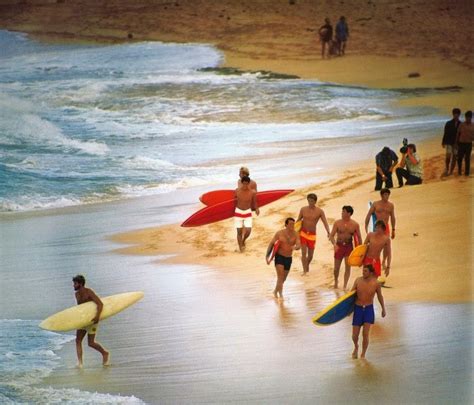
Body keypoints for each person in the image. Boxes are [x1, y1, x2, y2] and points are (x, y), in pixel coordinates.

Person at [73, 275, 110, 368]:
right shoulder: (76, 294)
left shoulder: (89, 292)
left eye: (75, 283)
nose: (73, 285)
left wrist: (97, 317)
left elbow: (100, 304)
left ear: (80, 284)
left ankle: (105, 353)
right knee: (78, 340)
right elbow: (81, 308)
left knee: (91, 343)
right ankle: (80, 363)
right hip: (83, 320)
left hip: (93, 320)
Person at [351, 265, 386, 359]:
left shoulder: (376, 283)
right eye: (363, 271)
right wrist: (347, 311)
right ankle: (356, 347)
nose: (363, 273)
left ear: (370, 272)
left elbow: (380, 296)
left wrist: (383, 308)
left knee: (365, 334)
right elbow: (351, 296)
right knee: (354, 335)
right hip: (358, 309)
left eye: (365, 271)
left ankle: (363, 354)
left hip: (368, 310)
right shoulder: (358, 280)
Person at [266, 218, 301, 299]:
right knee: (280, 277)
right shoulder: (279, 233)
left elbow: (299, 245)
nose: (292, 225)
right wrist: (267, 256)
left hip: (288, 258)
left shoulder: (296, 234)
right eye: (290, 224)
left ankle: (275, 291)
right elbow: (271, 244)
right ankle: (280, 294)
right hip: (279, 257)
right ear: (286, 225)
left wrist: (295, 247)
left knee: (283, 279)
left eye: (293, 224)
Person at [296, 193, 330, 275]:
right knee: (304, 253)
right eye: (309, 201)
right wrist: (294, 232)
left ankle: (306, 265)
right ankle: (305, 271)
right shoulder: (303, 209)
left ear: (315, 201)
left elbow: (325, 222)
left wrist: (328, 232)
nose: (310, 203)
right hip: (303, 233)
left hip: (312, 235)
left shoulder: (320, 211)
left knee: (310, 256)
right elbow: (298, 221)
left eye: (312, 201)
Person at [329, 205, 362, 289]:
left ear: (349, 213)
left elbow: (359, 237)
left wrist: (360, 250)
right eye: (342, 211)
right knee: (336, 268)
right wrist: (334, 245)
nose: (342, 213)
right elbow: (331, 236)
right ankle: (336, 281)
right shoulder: (337, 223)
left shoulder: (355, 224)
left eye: (343, 211)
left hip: (349, 246)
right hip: (339, 246)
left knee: (348, 267)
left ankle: (345, 285)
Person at [235, 175, 259, 252]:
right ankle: (240, 248)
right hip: (238, 212)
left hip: (247, 212)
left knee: (248, 230)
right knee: (239, 231)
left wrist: (257, 209)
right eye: (243, 183)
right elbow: (231, 202)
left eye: (246, 184)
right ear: (241, 183)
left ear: (249, 184)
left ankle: (243, 240)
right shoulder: (237, 191)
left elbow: (254, 202)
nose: (245, 185)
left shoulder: (252, 192)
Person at [442, 108, 461, 176]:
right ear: (453, 114)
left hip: (456, 144)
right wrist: (443, 142)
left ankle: (451, 171)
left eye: (457, 114)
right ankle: (447, 168)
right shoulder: (448, 123)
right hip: (449, 142)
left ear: (459, 115)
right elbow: (445, 133)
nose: (456, 116)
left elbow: (461, 135)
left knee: (455, 157)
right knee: (448, 156)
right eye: (454, 114)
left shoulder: (461, 124)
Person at [456, 110, 473, 176]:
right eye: (467, 117)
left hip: (469, 144)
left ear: (471, 117)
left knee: (467, 159)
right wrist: (456, 143)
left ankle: (467, 172)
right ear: (465, 117)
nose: (468, 118)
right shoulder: (461, 125)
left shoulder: (473, 126)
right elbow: (458, 134)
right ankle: (459, 171)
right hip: (461, 144)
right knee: (459, 158)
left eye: (469, 117)